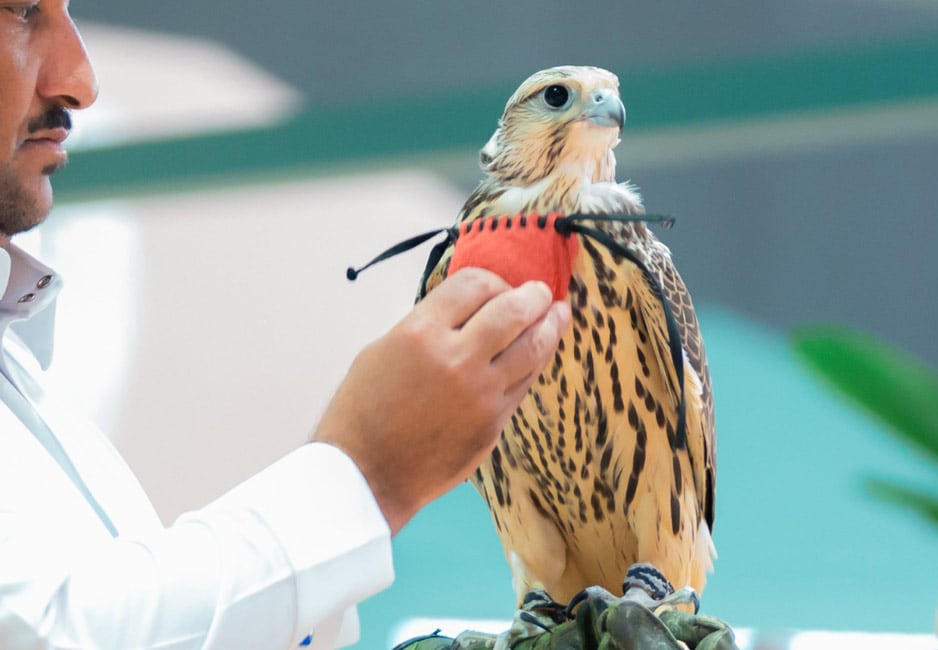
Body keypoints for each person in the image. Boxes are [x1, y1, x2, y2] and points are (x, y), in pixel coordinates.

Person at [0, 2, 571, 648]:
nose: (79, 78)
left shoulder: (27, 379)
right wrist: (366, 473)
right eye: (22, 12)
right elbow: (58, 636)